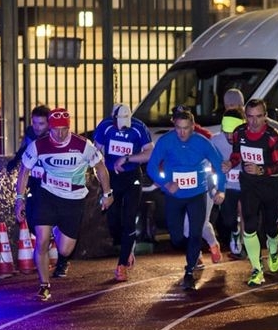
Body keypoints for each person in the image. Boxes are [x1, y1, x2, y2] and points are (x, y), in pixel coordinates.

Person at [14, 108, 113, 301]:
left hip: (73, 199)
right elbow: (24, 171)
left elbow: (100, 167)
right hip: (47, 195)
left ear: (70, 127)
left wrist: (108, 193)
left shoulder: (83, 145)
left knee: (65, 250)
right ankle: (44, 285)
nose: (60, 134)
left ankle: (57, 228)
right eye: (56, 129)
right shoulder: (38, 146)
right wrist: (19, 199)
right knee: (42, 240)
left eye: (64, 130)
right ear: (49, 128)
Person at [146, 108, 226, 290]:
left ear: (193, 127)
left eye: (186, 128)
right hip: (174, 196)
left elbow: (219, 166)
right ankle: (192, 251)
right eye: (178, 128)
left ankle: (189, 271)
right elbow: (151, 167)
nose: (182, 132)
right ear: (174, 126)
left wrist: (220, 190)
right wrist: (166, 183)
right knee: (176, 238)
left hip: (197, 195)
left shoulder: (202, 143)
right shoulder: (166, 141)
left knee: (196, 233)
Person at [93, 104, 153, 282]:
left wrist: (127, 158)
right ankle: (127, 247)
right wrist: (103, 173)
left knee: (129, 218)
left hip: (132, 176)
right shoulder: (104, 127)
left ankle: (122, 265)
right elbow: (96, 153)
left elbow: (150, 152)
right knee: (113, 221)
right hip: (112, 178)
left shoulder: (139, 127)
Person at [230, 99, 278, 286]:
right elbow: (236, 154)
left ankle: (274, 247)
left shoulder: (273, 136)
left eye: (258, 117)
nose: (254, 122)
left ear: (265, 116)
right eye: (250, 117)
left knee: (270, 227)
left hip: (270, 184)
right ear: (245, 116)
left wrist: (261, 170)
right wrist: (230, 163)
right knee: (250, 225)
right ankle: (256, 269)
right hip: (248, 184)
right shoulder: (239, 132)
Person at [211, 109, 246, 258]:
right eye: (227, 133)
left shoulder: (248, 139)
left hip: (246, 184)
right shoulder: (215, 141)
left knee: (248, 215)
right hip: (227, 186)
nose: (230, 136)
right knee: (228, 220)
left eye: (233, 133)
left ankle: (244, 246)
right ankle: (235, 231)